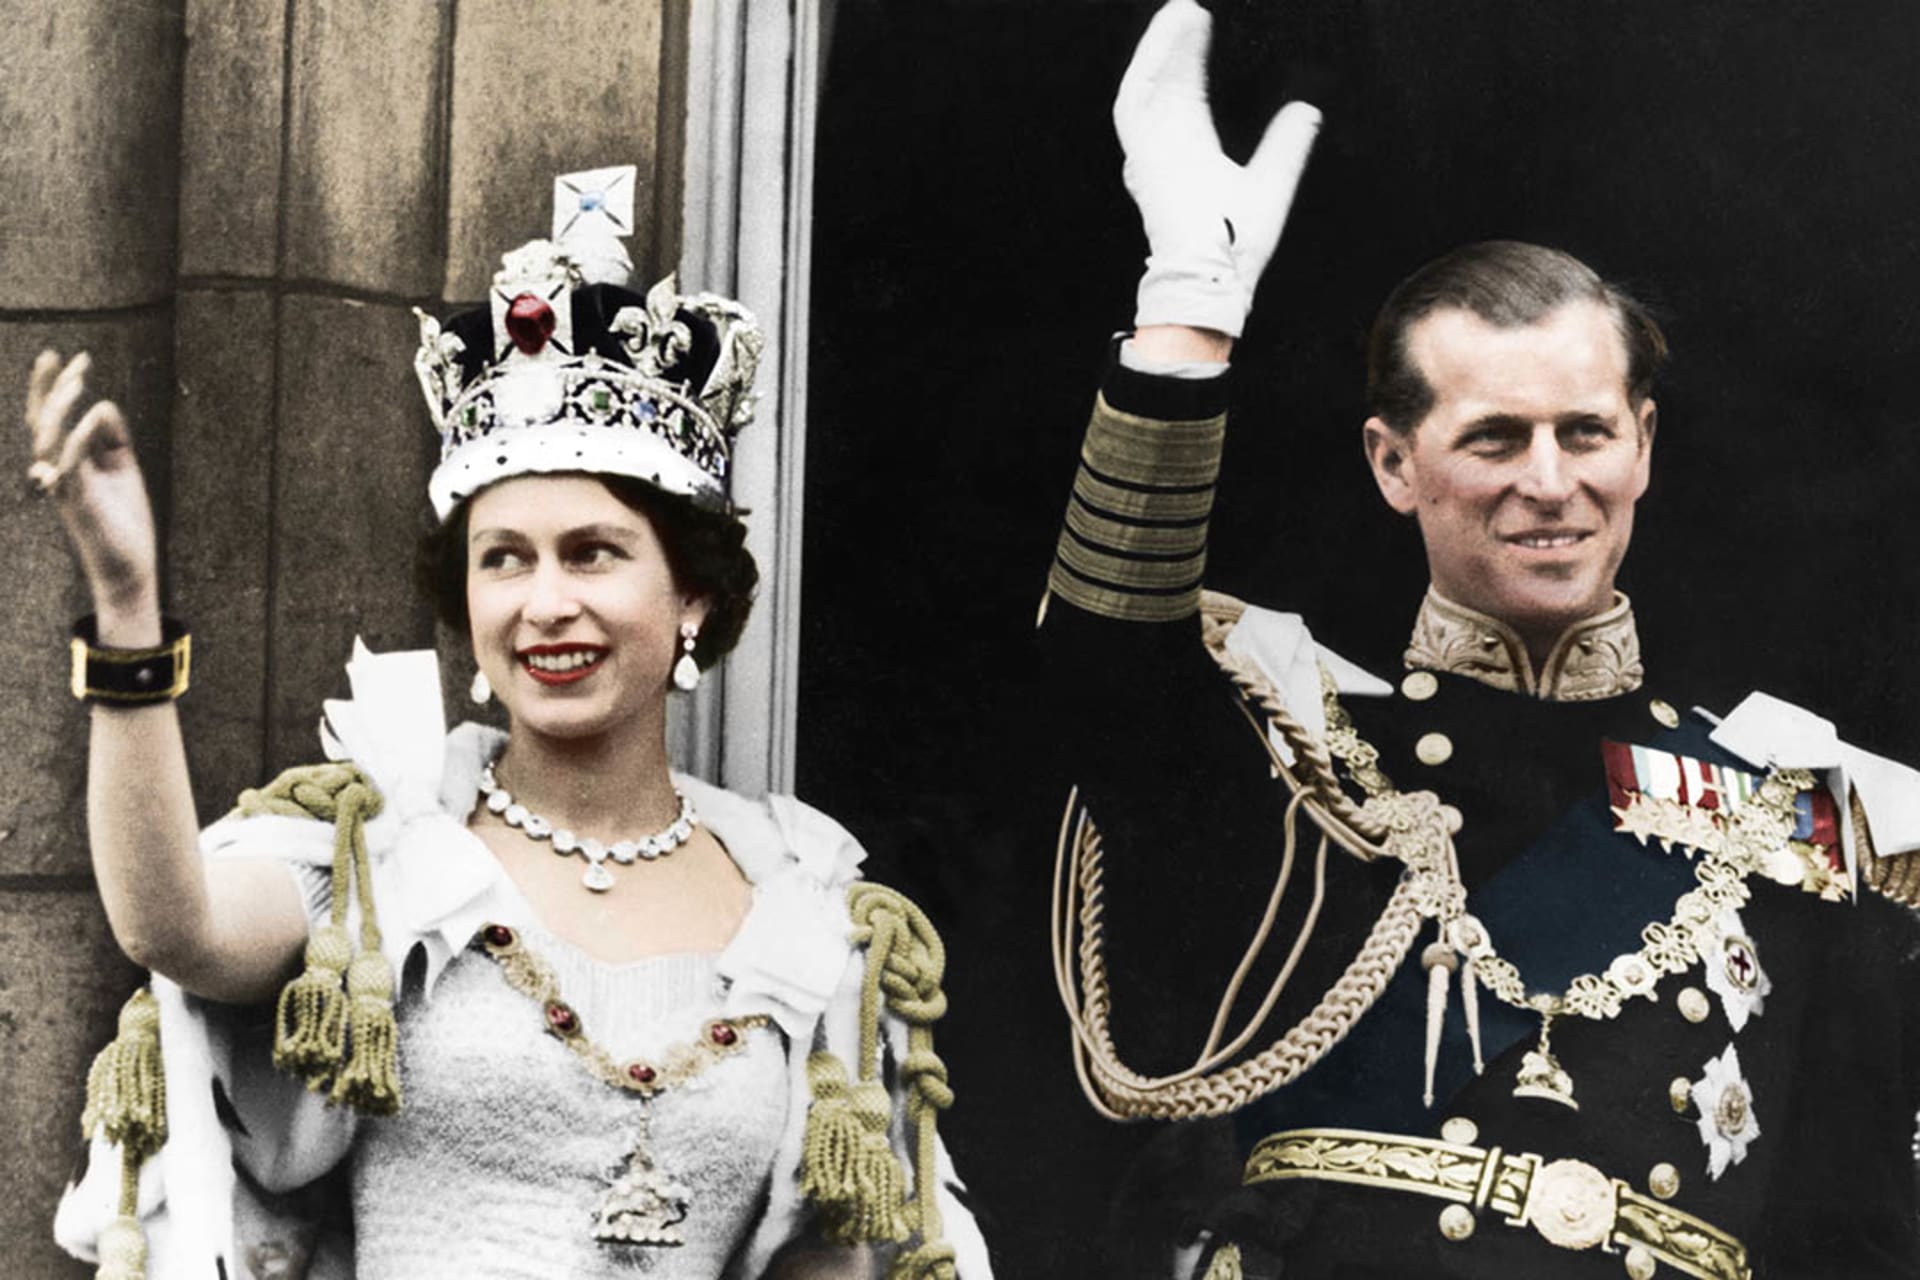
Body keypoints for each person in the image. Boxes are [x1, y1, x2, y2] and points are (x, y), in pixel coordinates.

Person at [1042, 4, 1920, 1278]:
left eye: (1586, 431)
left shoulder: (1801, 812)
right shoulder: (1303, 750)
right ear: (1395, 464)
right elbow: (1097, 676)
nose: (1550, 482)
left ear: (1644, 449)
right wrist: (1187, 315)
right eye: (1495, 438)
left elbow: (1852, 1232)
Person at [33, 167, 991, 1280]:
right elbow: (172, 923)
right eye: (505, 560)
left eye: (593, 552)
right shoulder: (380, 850)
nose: (545, 602)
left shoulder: (801, 902)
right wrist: (127, 607)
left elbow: (825, 1262)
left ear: (693, 598)